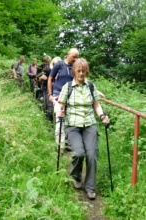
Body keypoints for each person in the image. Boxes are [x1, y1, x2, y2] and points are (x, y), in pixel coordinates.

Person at [57, 58, 109, 200]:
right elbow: (61, 104)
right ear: (74, 71)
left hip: (89, 123)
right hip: (72, 124)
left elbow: (96, 105)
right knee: (79, 153)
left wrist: (103, 116)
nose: (81, 74)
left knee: (92, 154)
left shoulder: (90, 86)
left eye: (83, 71)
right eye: (78, 71)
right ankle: (75, 176)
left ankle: (90, 187)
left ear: (86, 72)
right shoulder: (68, 87)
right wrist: (60, 111)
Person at [47, 48, 79, 149]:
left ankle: (67, 142)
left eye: (77, 57)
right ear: (68, 54)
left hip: (71, 96)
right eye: (73, 57)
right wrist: (50, 94)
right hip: (58, 95)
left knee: (70, 119)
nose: (75, 59)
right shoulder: (59, 65)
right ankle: (60, 145)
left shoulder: (76, 67)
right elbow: (50, 78)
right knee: (59, 118)